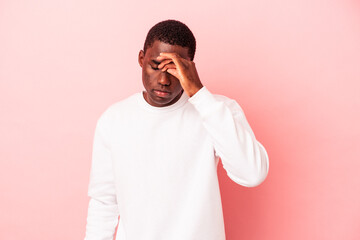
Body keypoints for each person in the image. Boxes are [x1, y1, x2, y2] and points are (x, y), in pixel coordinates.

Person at [84, 19, 269, 240]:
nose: (163, 80)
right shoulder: (114, 119)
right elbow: (103, 202)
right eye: (155, 66)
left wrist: (199, 94)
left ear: (190, 67)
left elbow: (252, 173)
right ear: (141, 58)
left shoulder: (217, 110)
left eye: (174, 70)